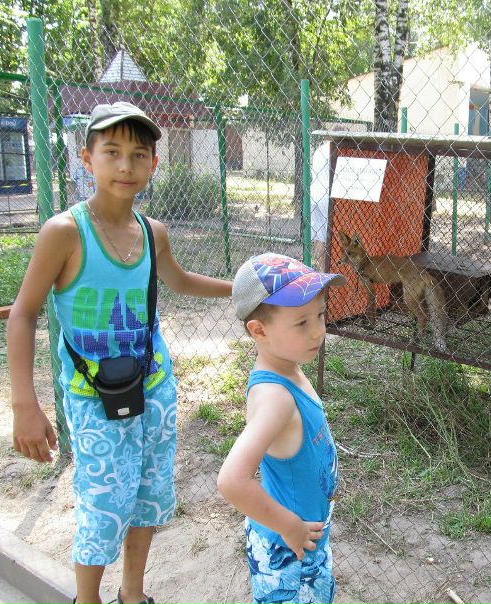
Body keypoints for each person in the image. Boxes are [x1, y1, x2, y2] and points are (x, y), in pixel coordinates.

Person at [7, 101, 232, 604]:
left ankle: (133, 596)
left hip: (154, 388)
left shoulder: (153, 234)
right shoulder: (65, 232)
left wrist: (241, 290)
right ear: (86, 159)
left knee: (148, 498)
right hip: (91, 398)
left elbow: (179, 281)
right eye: (112, 152)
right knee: (105, 503)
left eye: (139, 153)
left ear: (155, 163)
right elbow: (23, 314)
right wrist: (25, 403)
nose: (126, 165)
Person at [217, 252, 345, 604]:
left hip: (305, 539)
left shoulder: (289, 365)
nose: (318, 330)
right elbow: (231, 481)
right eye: (301, 322)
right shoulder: (275, 398)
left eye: (320, 314)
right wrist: (290, 526)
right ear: (259, 331)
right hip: (288, 554)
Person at [310, 141, 331, 270]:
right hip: (327, 195)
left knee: (319, 235)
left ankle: (321, 269)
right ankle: (327, 270)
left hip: (314, 193)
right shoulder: (336, 149)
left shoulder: (319, 150)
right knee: (326, 235)